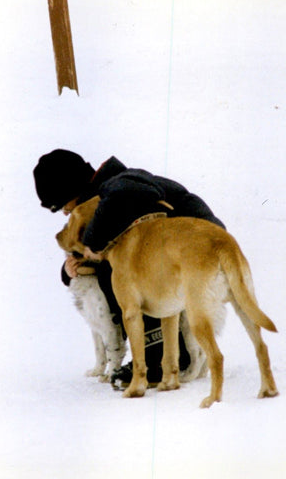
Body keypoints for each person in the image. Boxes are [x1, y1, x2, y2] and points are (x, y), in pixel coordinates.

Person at [33, 149, 225, 387]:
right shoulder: (105, 197)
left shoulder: (118, 186)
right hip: (194, 264)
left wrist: (92, 243)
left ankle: (160, 356)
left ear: (72, 188)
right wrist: (70, 269)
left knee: (121, 269)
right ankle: (172, 352)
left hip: (204, 259)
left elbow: (111, 236)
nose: (63, 212)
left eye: (59, 204)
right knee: (118, 264)